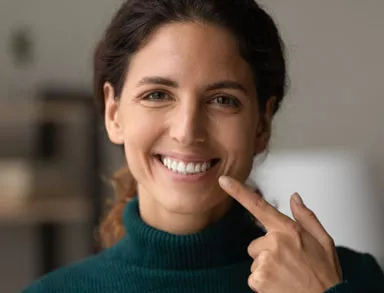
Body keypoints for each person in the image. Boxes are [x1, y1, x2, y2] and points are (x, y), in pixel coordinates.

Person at [23, 0, 384, 292]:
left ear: (262, 124)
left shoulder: (355, 279)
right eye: (158, 94)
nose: (186, 131)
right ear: (114, 113)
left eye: (223, 100)